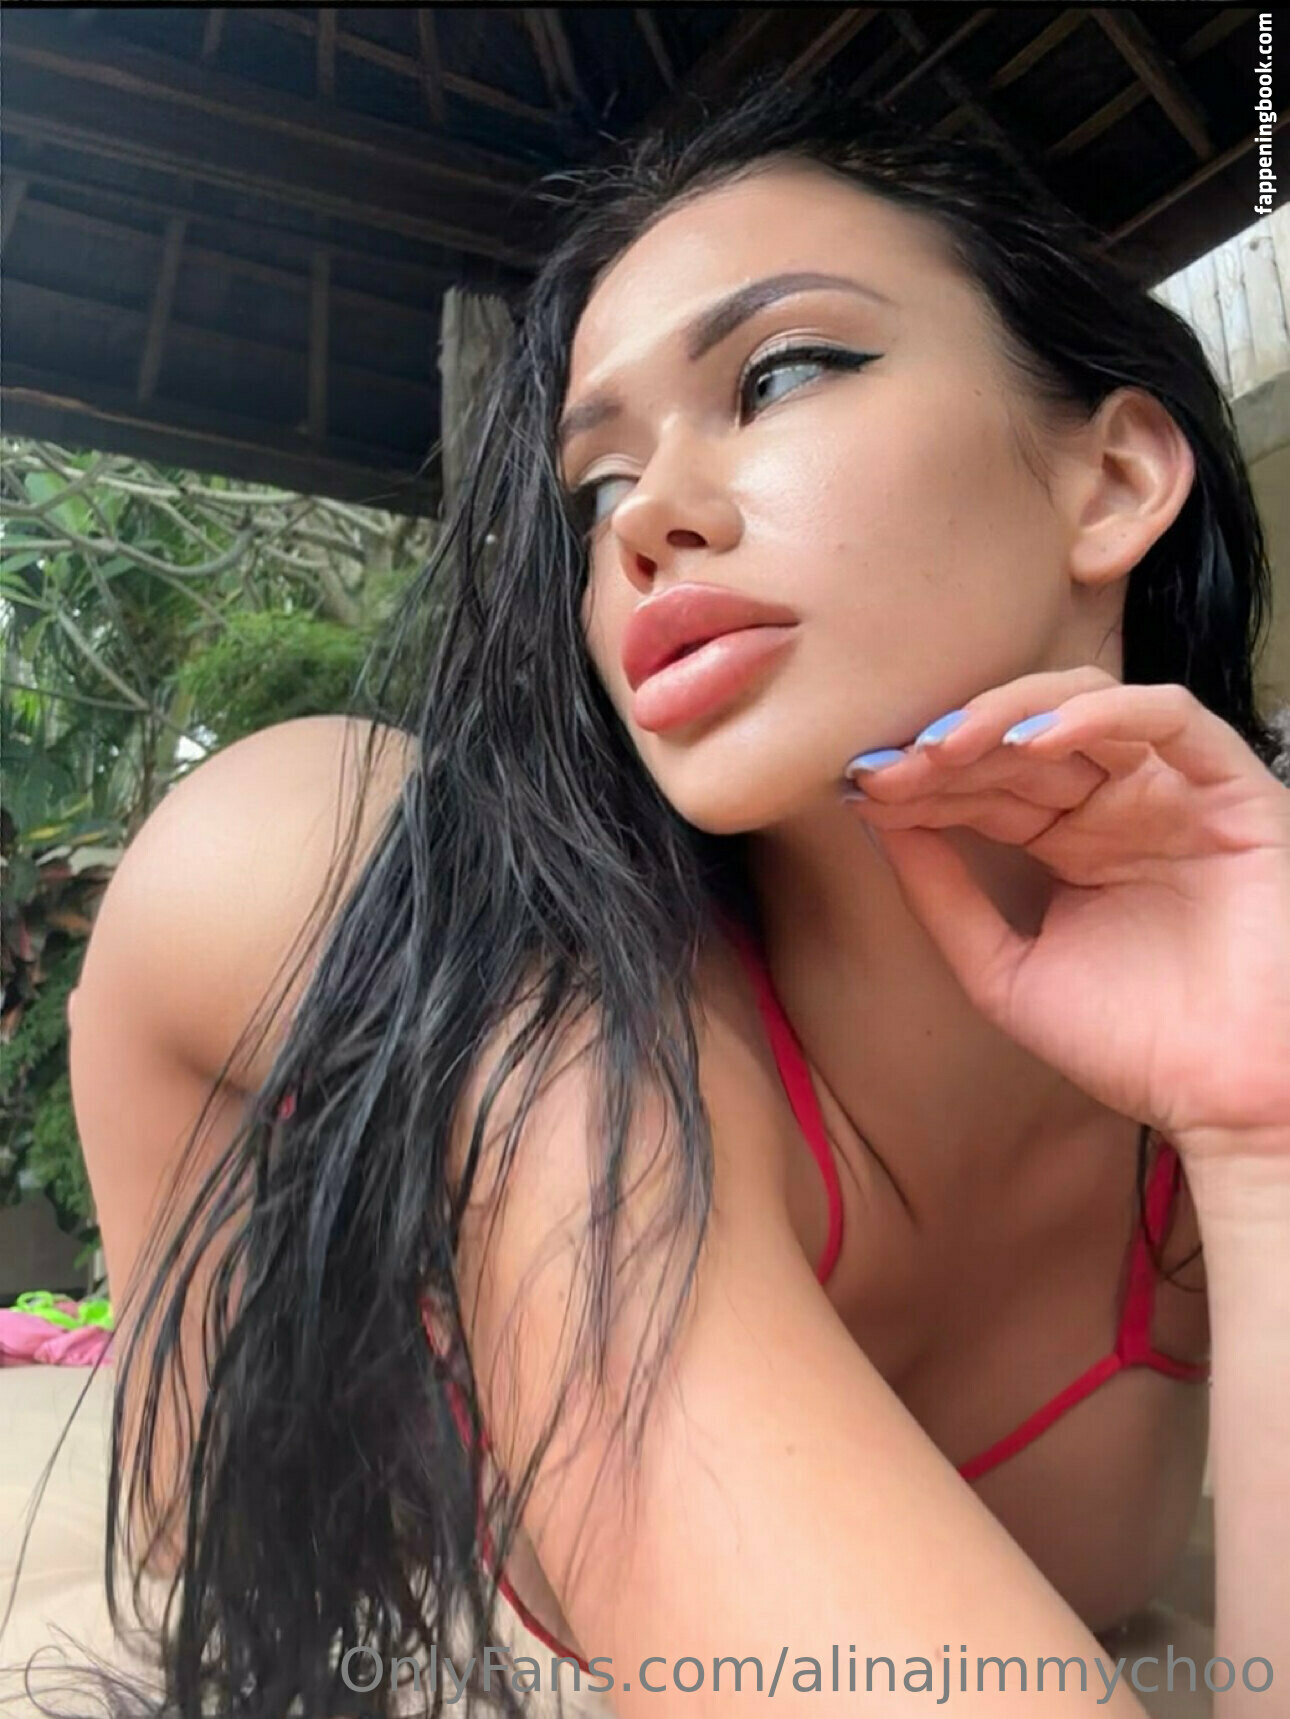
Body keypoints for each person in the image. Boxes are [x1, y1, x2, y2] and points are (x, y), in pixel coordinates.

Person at [59, 76, 1290, 1718]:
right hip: (340, 1006)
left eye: (780, 373)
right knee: (316, 832)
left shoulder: (1235, 998)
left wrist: (1262, 1135)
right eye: (593, 489)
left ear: (1114, 477)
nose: (644, 517)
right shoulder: (536, 1005)